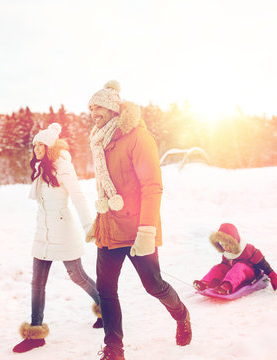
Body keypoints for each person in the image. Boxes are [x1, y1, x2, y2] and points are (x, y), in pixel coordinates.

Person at [85, 81, 192, 360]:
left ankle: (181, 315)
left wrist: (147, 230)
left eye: (98, 107)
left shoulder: (137, 137)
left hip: (136, 228)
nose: (93, 111)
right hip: (109, 228)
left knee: (153, 285)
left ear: (112, 108)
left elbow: (151, 186)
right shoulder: (99, 140)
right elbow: (105, 187)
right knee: (106, 290)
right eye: (91, 108)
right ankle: (113, 350)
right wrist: (97, 221)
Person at [12, 123, 102, 354]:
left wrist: (88, 226)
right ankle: (35, 332)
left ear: (49, 146)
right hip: (43, 232)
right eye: (34, 145)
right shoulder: (42, 168)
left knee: (77, 275)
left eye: (39, 145)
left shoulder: (63, 166)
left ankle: (107, 309)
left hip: (63, 230)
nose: (35, 149)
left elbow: (79, 197)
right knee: (37, 283)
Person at [193, 223, 277, 295]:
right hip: (233, 274)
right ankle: (205, 283)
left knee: (239, 267)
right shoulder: (226, 251)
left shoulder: (248, 249)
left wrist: (273, 277)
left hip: (250, 273)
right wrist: (218, 276)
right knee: (218, 267)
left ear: (234, 242)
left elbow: (263, 263)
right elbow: (224, 267)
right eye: (223, 244)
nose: (225, 248)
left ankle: (227, 287)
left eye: (227, 245)